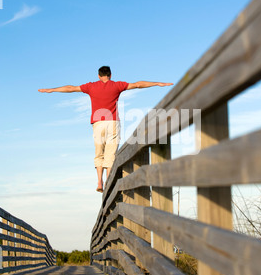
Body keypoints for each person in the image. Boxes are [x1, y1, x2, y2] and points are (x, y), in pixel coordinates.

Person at [39, 66, 173, 192]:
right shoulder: (117, 85)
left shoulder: (91, 86)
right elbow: (138, 84)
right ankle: (109, 182)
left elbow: (70, 88)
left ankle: (99, 182)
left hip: (98, 123)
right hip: (113, 122)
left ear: (99, 76)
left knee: (99, 152)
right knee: (111, 153)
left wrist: (51, 90)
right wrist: (157, 83)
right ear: (110, 75)